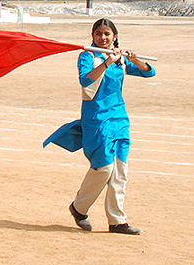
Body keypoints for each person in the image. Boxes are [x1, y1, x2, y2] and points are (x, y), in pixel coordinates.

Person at [45, 18, 155, 235]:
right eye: (98, 34)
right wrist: (106, 63)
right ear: (93, 36)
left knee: (120, 170)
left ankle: (117, 221)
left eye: (107, 34)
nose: (103, 38)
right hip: (97, 119)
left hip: (119, 119)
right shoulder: (88, 56)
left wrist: (135, 59)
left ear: (114, 36)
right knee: (104, 167)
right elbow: (86, 81)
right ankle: (79, 207)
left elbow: (148, 72)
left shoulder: (120, 59)